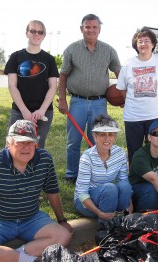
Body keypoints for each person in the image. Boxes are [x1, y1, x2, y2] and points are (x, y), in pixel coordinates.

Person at [0, 120, 72, 262]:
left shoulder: (45, 159)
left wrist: (61, 220)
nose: (26, 147)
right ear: (8, 143)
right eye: (20, 142)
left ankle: (20, 255)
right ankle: (27, 259)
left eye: (30, 142)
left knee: (64, 236)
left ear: (36, 143)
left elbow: (52, 191)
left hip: (31, 218)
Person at [58, 14, 122, 182]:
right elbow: (63, 76)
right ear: (82, 29)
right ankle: (71, 174)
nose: (91, 30)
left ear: (99, 30)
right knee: (73, 141)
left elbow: (120, 74)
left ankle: (95, 173)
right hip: (77, 101)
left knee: (97, 140)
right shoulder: (71, 49)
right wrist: (63, 100)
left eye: (94, 27)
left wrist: (123, 97)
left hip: (99, 102)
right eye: (87, 27)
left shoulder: (109, 50)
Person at [116, 26, 158, 165]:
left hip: (156, 114)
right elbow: (122, 88)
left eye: (146, 41)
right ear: (136, 45)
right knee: (134, 151)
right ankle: (136, 179)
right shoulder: (128, 64)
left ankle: (156, 179)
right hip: (133, 116)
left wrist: (157, 99)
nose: (143, 44)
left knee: (157, 149)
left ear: (153, 44)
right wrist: (132, 101)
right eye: (140, 41)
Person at [4, 20, 59, 149]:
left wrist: (42, 110)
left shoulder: (49, 59)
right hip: (19, 111)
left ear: (44, 35)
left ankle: (34, 170)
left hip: (43, 113)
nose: (36, 34)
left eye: (40, 32)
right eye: (33, 31)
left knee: (37, 149)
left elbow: (53, 87)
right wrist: (24, 111)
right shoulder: (15, 57)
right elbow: (12, 86)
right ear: (26, 33)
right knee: (12, 147)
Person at [74, 115, 132, 222]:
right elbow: (82, 194)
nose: (107, 138)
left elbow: (123, 182)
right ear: (94, 136)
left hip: (109, 197)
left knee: (124, 185)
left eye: (111, 134)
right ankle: (104, 229)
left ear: (114, 137)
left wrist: (129, 208)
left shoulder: (120, 153)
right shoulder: (87, 158)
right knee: (110, 188)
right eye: (102, 135)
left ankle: (120, 218)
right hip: (86, 202)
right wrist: (100, 213)